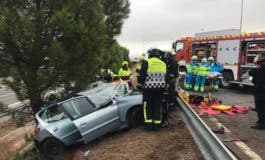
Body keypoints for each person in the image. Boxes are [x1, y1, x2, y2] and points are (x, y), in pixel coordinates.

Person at [138, 48, 167, 131]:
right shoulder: (163, 64)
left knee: (147, 106)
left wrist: (140, 84)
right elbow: (166, 77)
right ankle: (158, 126)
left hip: (148, 89)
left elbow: (142, 76)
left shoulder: (147, 62)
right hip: (160, 89)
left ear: (150, 55)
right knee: (158, 106)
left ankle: (149, 127)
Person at [249, 54, 265, 130]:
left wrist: (256, 63)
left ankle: (261, 124)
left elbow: (251, 72)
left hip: (261, 90)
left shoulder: (261, 65)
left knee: (260, 107)